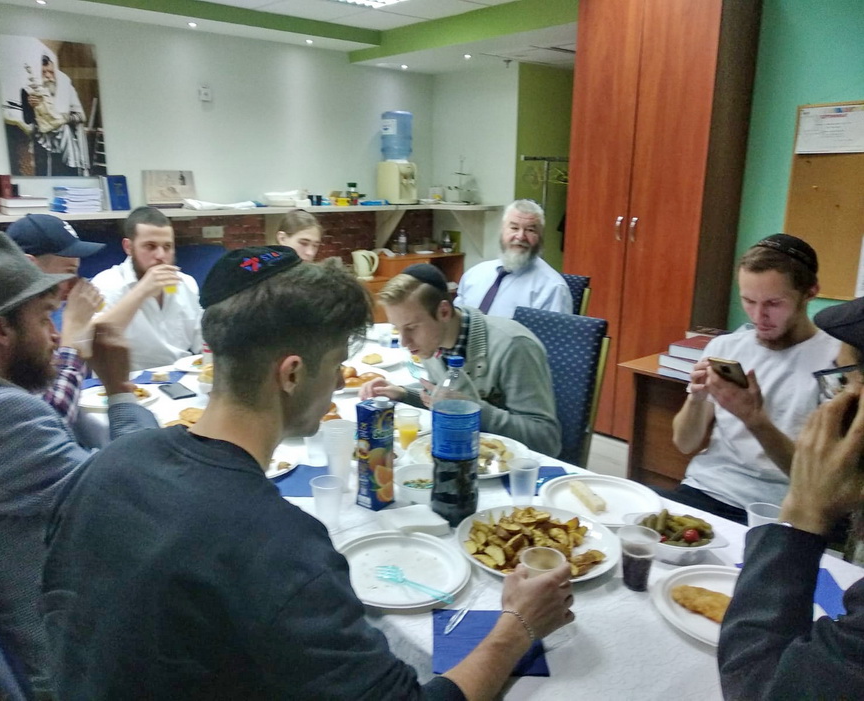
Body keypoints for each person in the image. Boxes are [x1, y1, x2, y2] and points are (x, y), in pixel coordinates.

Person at [42, 246, 575, 699]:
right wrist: (518, 627)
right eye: (337, 363)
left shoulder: (109, 464)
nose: (341, 380)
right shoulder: (280, 549)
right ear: (292, 374)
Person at [0, 232, 157, 697]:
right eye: (43, 319)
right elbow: (145, 503)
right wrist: (119, 390)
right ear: (1, 330)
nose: (56, 336)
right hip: (70, 667)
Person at [717, 295, 864, 700]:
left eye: (845, 383)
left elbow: (759, 685)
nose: (830, 408)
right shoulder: (731, 345)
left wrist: (801, 515)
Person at [670, 234, 839, 524]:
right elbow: (684, 444)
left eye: (774, 303)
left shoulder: (836, 363)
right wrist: (697, 398)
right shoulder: (725, 347)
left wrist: (755, 421)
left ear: (810, 292)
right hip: (705, 488)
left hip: (781, 510)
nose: (759, 316)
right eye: (748, 301)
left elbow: (818, 482)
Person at [360, 263, 561, 456]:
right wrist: (404, 395)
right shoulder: (433, 341)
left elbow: (547, 440)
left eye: (411, 328)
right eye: (398, 328)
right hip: (465, 454)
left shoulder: (514, 346)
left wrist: (473, 410)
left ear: (444, 312)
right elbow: (448, 400)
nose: (405, 342)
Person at [7, 213, 105, 423]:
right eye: (69, 272)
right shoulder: (6, 325)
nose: (75, 284)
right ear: (29, 267)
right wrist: (73, 336)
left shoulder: (52, 310)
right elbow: (50, 420)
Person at [91, 206, 203, 370]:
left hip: (180, 373)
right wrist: (141, 291)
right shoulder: (107, 283)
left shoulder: (186, 283)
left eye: (167, 247)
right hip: (127, 377)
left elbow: (201, 339)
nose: (161, 256)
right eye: (150, 246)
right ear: (128, 247)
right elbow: (94, 339)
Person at [455, 199, 572, 317]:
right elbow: (456, 320)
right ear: (502, 230)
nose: (520, 236)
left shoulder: (552, 288)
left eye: (530, 230)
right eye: (514, 228)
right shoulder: (474, 274)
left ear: (540, 236)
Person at [20, 54, 90, 176]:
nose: (48, 76)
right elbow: (27, 120)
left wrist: (63, 119)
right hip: (42, 144)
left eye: (51, 72)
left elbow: (81, 116)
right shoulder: (28, 90)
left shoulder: (66, 86)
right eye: (43, 72)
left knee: (67, 175)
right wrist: (30, 106)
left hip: (65, 143)